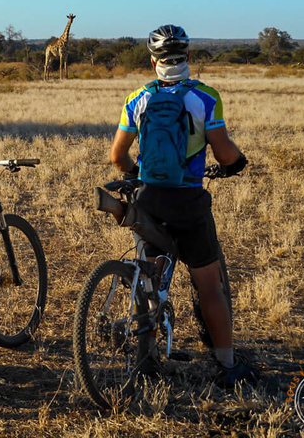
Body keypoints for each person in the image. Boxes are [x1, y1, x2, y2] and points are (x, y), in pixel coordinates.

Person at [107, 24, 257, 387]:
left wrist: (138, 173)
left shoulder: (137, 98)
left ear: (153, 60)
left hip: (149, 199)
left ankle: (146, 360)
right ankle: (228, 365)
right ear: (189, 57)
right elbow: (224, 152)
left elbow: (117, 157)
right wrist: (235, 163)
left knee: (150, 283)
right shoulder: (205, 97)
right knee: (209, 284)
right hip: (189, 200)